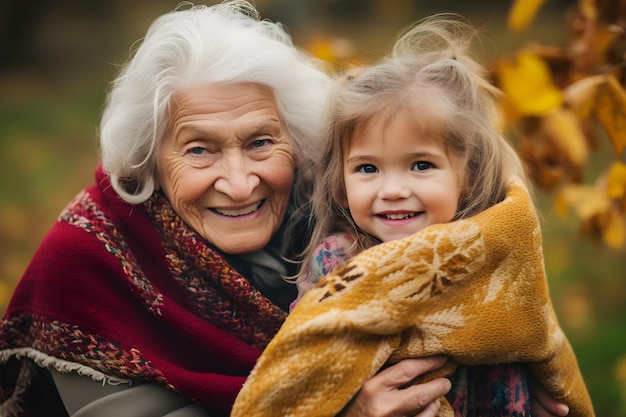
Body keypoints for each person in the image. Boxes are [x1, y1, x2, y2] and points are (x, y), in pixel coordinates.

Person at [0, 2, 459, 416]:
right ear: (150, 161)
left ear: (297, 143)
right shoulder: (89, 261)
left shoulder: (342, 214)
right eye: (199, 150)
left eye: (261, 142)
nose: (240, 186)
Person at [232, 15, 593, 417]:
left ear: (467, 176)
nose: (391, 190)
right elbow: (305, 362)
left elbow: (532, 331)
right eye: (367, 169)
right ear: (341, 181)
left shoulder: (494, 248)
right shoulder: (337, 263)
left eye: (420, 165)